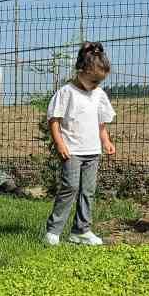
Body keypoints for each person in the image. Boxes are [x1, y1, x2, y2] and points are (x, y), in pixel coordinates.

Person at [43, 42, 118, 247]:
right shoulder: (66, 92)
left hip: (93, 152)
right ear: (81, 70)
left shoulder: (98, 94)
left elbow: (101, 122)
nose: (95, 85)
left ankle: (81, 230)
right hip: (72, 151)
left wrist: (106, 140)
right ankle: (54, 231)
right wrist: (59, 144)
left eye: (99, 81)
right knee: (70, 187)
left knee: (88, 190)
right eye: (93, 80)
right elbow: (54, 120)